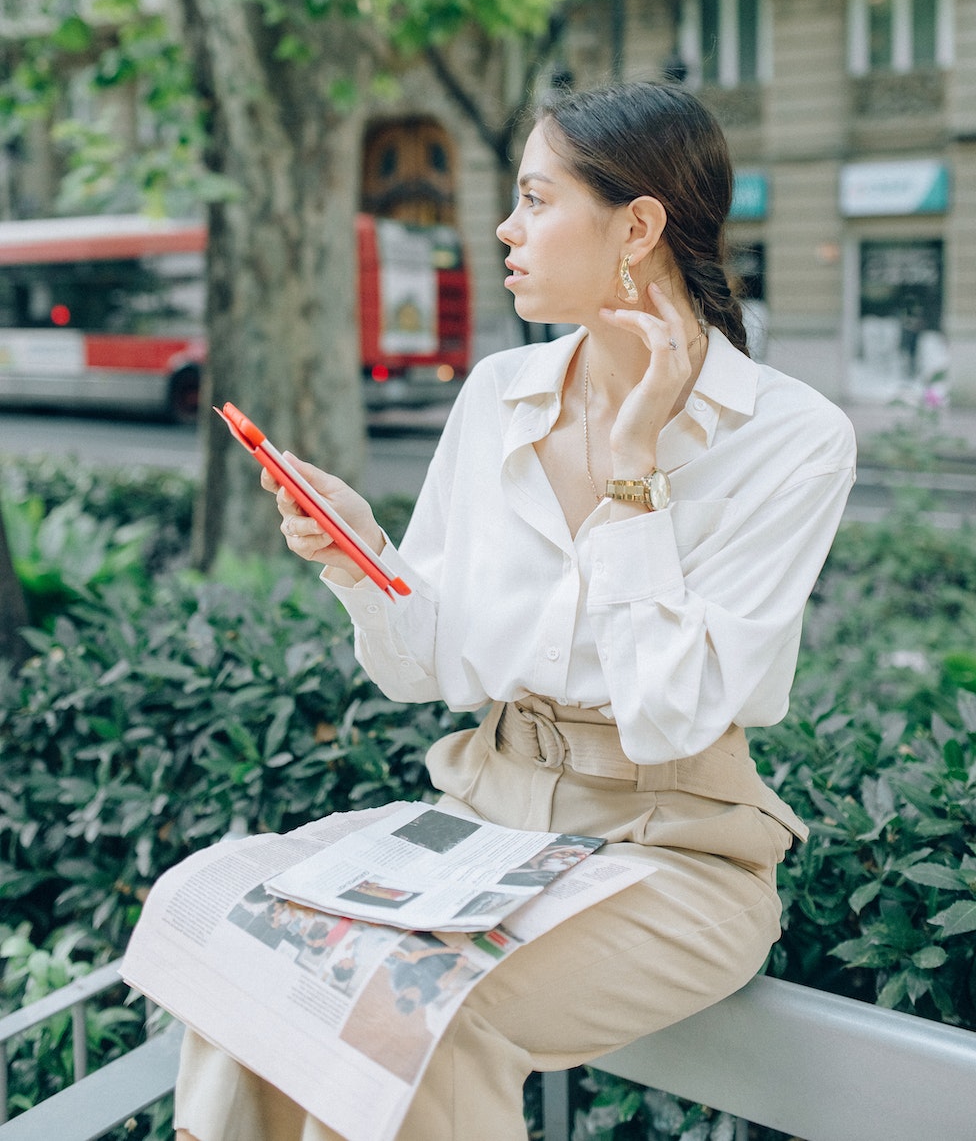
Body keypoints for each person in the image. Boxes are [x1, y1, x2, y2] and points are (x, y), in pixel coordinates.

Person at [173, 79, 856, 1141]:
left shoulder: (791, 437)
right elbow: (425, 663)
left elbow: (674, 713)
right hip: (479, 825)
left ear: (635, 227)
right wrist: (363, 559)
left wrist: (634, 474)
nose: (505, 226)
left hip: (672, 852)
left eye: (535, 199)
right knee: (250, 951)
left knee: (425, 1020)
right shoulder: (498, 392)